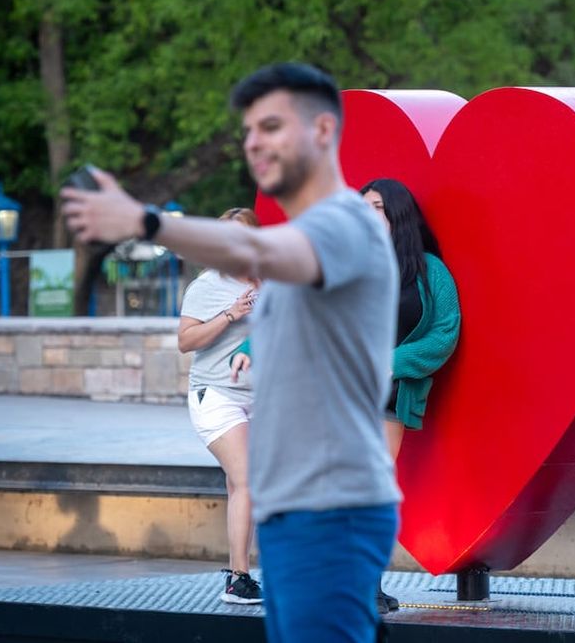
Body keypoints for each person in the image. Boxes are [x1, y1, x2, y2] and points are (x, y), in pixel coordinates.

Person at [61, 62, 401, 643]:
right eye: (247, 130)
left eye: (271, 126)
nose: (253, 143)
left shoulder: (348, 225)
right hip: (298, 507)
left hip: (333, 507)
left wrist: (147, 222)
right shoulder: (313, 235)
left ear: (322, 131)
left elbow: (252, 247)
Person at [361, 178, 460, 613]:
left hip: (389, 393)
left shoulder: (429, 271)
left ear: (398, 214)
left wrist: (393, 362)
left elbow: (445, 332)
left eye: (377, 207)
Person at [177, 207, 261, 604]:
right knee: (248, 480)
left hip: (260, 400)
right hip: (216, 394)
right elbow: (186, 341)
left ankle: (236, 570)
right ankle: (239, 579)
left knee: (238, 484)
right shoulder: (207, 285)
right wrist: (231, 315)